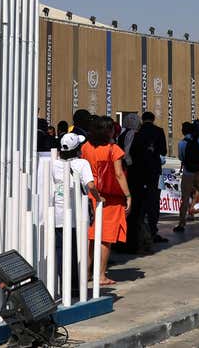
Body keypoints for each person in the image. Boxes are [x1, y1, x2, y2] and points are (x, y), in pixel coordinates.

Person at [80, 118, 130, 287]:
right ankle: (101, 274)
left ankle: (86, 272)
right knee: (105, 238)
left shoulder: (86, 147)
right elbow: (119, 174)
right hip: (109, 198)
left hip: (89, 194)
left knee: (91, 236)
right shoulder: (113, 149)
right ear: (108, 132)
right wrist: (128, 195)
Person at [48, 132, 95, 293]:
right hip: (76, 215)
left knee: (61, 249)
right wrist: (99, 198)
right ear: (78, 149)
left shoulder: (53, 164)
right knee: (77, 250)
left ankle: (63, 284)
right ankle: (75, 286)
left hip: (58, 213)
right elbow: (91, 185)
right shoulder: (82, 164)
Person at [126, 111, 168, 250]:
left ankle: (140, 231)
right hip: (153, 171)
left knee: (139, 203)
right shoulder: (158, 131)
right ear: (153, 119)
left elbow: (131, 151)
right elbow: (163, 151)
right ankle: (152, 230)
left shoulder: (137, 132)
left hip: (138, 171)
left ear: (142, 120)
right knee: (153, 201)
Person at [174, 121, 199, 234]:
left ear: (183, 131)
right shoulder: (198, 140)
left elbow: (181, 157)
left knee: (185, 198)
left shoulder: (182, 143)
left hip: (188, 172)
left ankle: (181, 224)